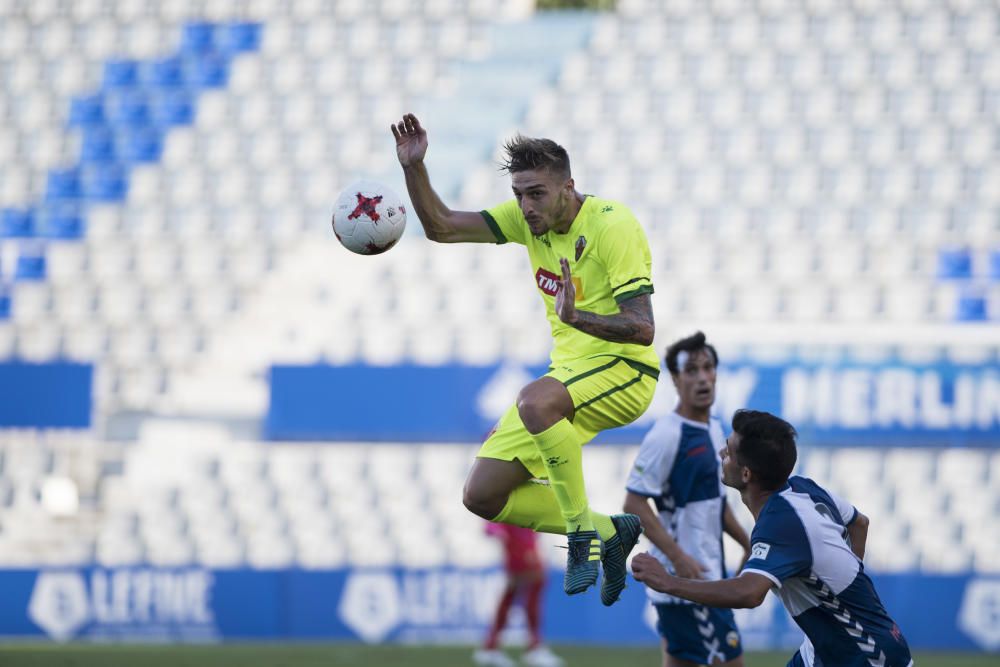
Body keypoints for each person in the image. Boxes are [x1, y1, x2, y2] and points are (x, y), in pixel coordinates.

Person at [391, 113, 658, 604]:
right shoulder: (527, 222)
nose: (525, 205)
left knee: (534, 402)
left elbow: (643, 329)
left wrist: (580, 321)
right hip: (568, 377)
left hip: (626, 371)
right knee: (482, 495)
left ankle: (580, 537)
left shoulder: (612, 226)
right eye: (519, 193)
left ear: (567, 187)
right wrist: (415, 168)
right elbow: (443, 227)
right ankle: (607, 531)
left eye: (536, 193)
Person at [632, 410, 914, 667]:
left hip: (870, 657)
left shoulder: (781, 524)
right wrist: (843, 588)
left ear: (746, 473)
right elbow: (859, 523)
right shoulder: (804, 488)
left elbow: (749, 593)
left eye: (728, 451)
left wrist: (668, 582)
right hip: (828, 650)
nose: (720, 453)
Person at [624, 331, 749, 667]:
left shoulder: (713, 429)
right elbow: (633, 504)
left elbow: (715, 503)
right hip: (687, 582)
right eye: (691, 370)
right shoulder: (667, 434)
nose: (702, 378)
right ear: (676, 380)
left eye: (708, 368)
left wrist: (746, 541)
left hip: (706, 575)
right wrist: (677, 557)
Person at [474, 522, 564, 667]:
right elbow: (491, 524)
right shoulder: (509, 501)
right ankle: (533, 648)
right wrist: (502, 535)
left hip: (523, 545)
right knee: (533, 585)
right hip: (519, 548)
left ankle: (492, 647)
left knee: (513, 594)